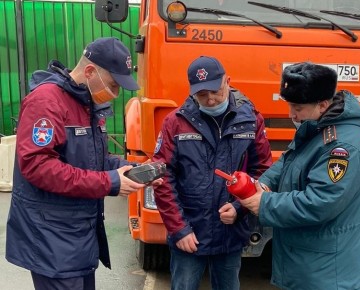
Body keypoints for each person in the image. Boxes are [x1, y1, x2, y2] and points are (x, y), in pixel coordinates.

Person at [5, 37, 154, 290]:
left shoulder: (87, 104)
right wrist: (110, 181)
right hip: (51, 238)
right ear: (89, 71)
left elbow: (96, 159)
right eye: (113, 85)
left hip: (77, 236)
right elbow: (38, 166)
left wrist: (129, 168)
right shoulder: (46, 102)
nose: (115, 94)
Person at [240, 62, 360, 290]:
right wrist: (261, 185)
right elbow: (287, 161)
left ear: (323, 104)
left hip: (330, 273)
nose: (291, 114)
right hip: (313, 264)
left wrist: (265, 203)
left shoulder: (342, 147)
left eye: (297, 107)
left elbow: (321, 202)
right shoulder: (317, 129)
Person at [152, 56, 273, 290]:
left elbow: (263, 171)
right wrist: (179, 229)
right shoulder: (175, 123)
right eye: (202, 94)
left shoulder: (250, 120)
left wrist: (239, 208)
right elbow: (163, 178)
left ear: (228, 81)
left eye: (215, 92)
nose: (210, 99)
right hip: (190, 235)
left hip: (231, 233)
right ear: (192, 92)